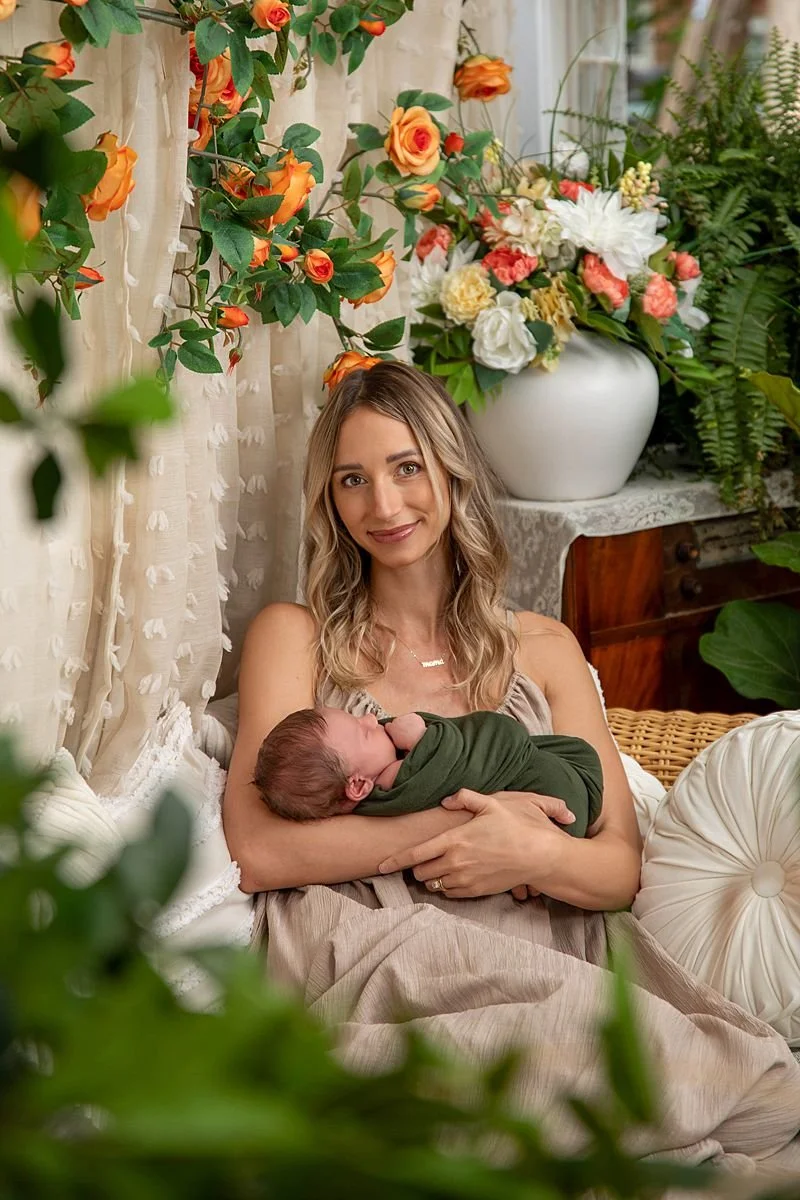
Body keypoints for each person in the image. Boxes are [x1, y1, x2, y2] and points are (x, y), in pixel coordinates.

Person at [223, 361, 800, 1170]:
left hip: (544, 925)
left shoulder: (544, 650)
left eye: (406, 468)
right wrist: (463, 830)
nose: (383, 506)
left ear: (454, 471)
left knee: (762, 1094)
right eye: (352, 480)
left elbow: (617, 868)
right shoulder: (295, 635)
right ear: (330, 501)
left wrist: (534, 853)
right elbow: (259, 850)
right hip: (373, 937)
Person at [253, 705, 603, 837]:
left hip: (543, 814)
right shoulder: (394, 781)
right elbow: (453, 764)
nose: (372, 718)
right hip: (551, 799)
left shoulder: (373, 789)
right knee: (570, 759)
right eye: (365, 731)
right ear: (358, 785)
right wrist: (423, 736)